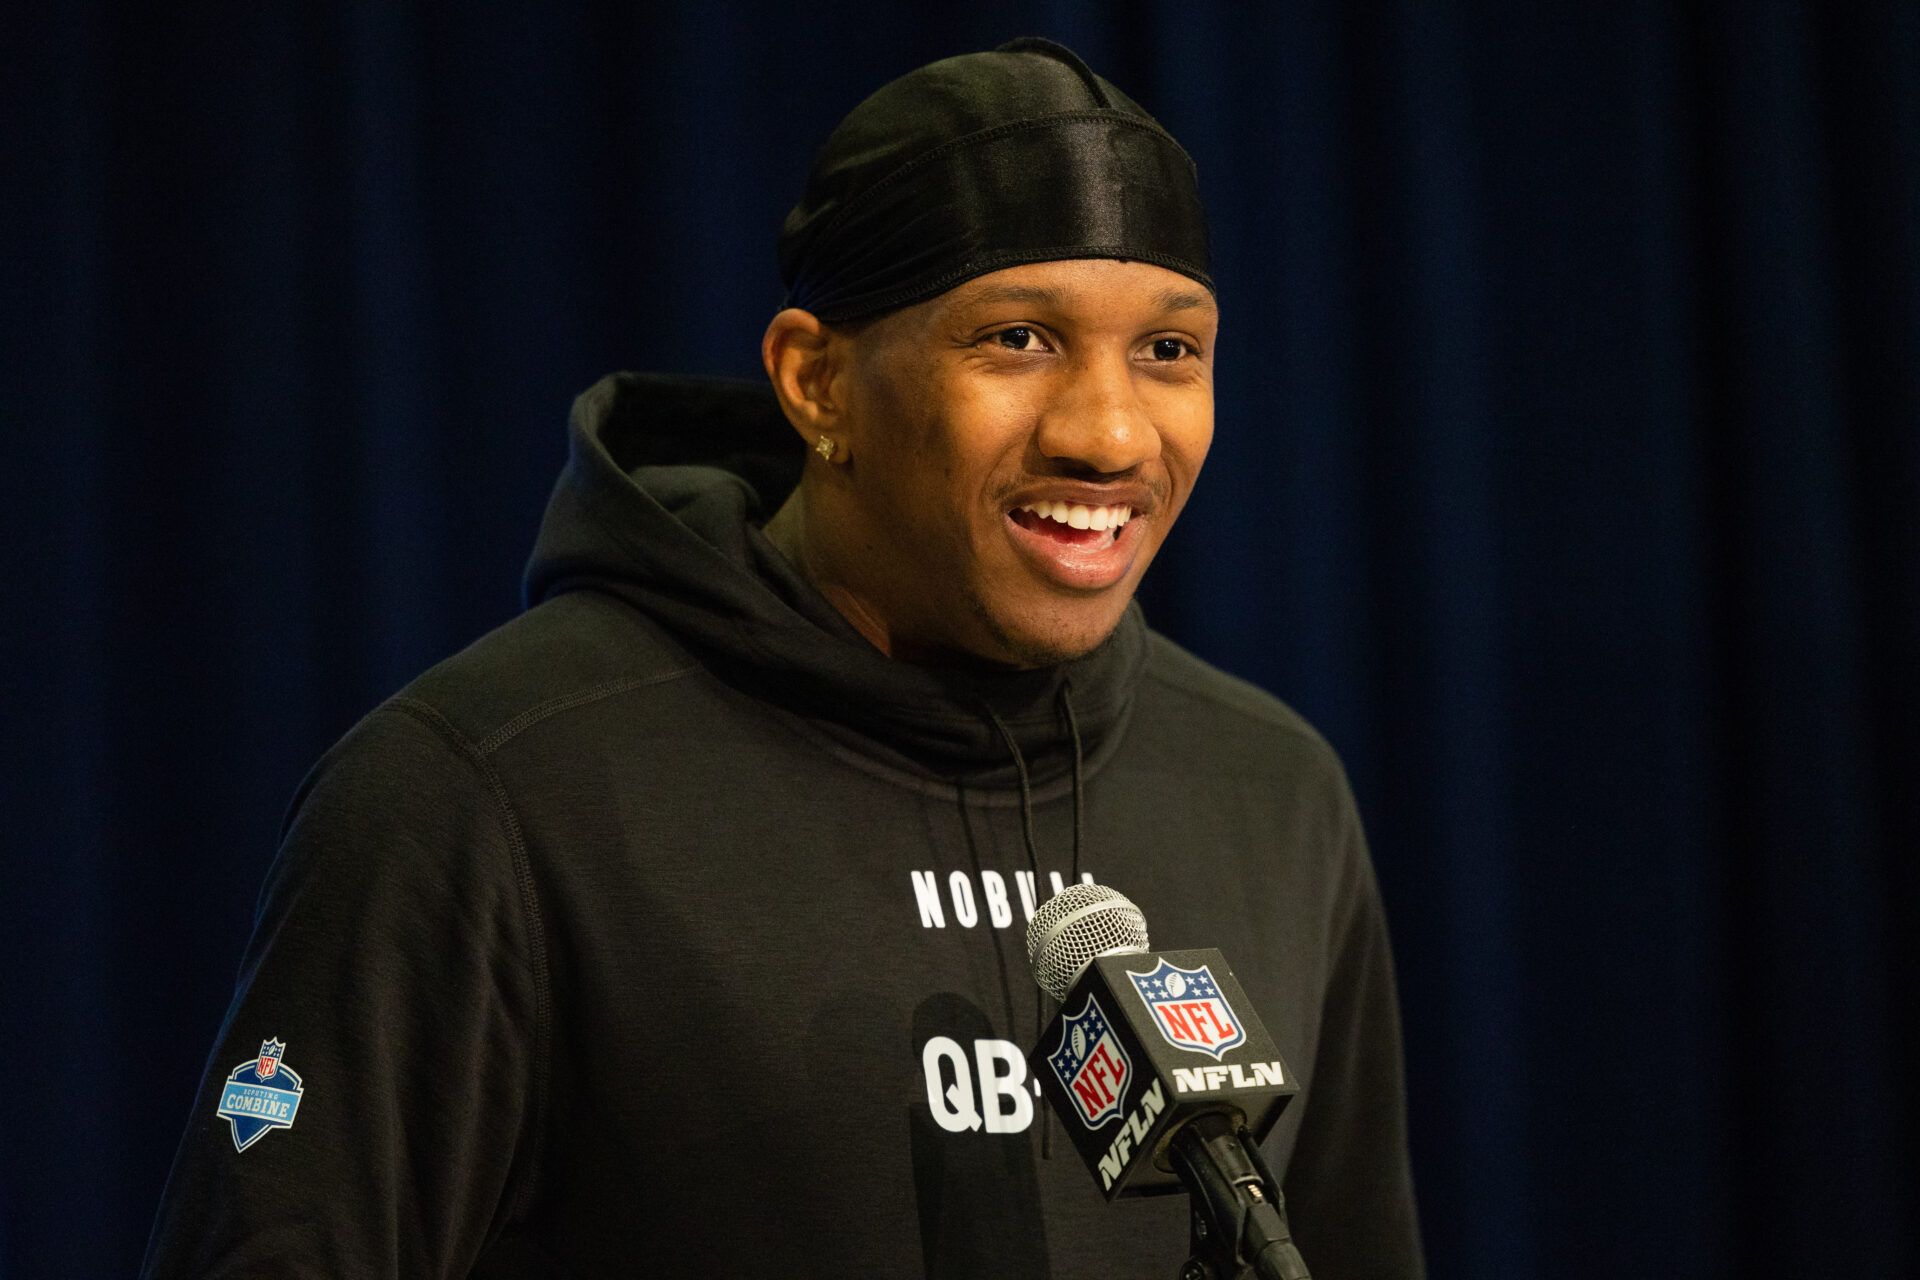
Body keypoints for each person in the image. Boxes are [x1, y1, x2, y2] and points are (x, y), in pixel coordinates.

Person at [142, 37, 1424, 1279]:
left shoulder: (1274, 792)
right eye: (1017, 337)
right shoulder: (486, 793)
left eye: (1169, 349)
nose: (1108, 433)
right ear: (816, 383)